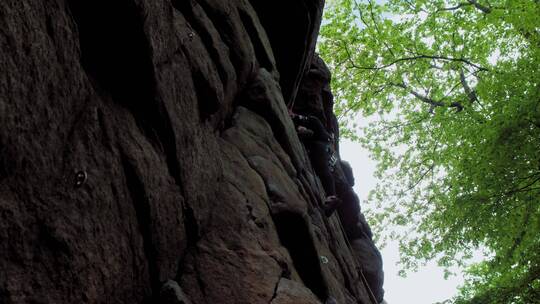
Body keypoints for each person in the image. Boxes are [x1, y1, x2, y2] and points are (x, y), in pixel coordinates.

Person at [290, 113, 341, 216]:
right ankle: (331, 197)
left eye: (302, 128)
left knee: (323, 170)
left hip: (322, 148)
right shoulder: (316, 136)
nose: (300, 129)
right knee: (323, 171)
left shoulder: (315, 123)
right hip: (326, 153)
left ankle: (332, 197)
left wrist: (294, 116)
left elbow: (306, 120)